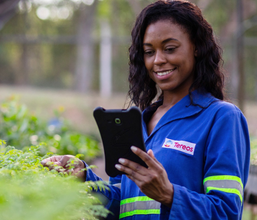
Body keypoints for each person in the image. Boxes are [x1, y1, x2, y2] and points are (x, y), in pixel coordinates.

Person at [41, 0, 250, 219]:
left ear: (196, 47)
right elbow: (123, 205)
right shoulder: (137, 124)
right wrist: (85, 178)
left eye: (170, 49)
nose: (158, 60)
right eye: (149, 52)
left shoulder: (222, 118)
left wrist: (170, 195)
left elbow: (226, 212)